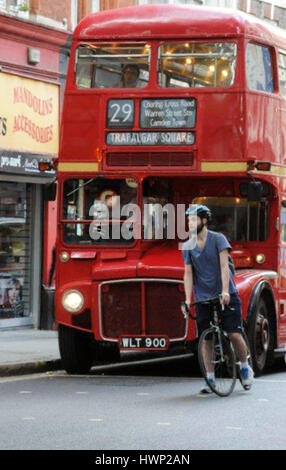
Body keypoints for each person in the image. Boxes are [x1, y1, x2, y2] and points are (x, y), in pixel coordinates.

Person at [181, 204, 254, 394]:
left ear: (204, 221)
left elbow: (224, 267)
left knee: (234, 334)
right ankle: (210, 378)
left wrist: (225, 291)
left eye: (193, 219)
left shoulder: (218, 239)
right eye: (188, 220)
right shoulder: (187, 245)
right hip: (203, 296)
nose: (190, 223)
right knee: (206, 339)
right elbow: (188, 273)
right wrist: (188, 299)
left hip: (225, 293)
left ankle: (245, 366)